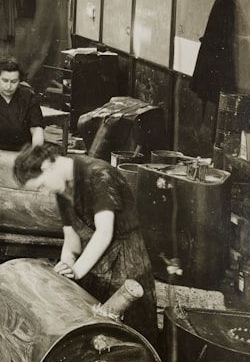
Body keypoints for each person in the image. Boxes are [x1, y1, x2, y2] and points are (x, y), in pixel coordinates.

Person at [13, 144, 159, 346]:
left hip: (126, 263)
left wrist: (77, 271)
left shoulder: (99, 175)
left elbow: (104, 233)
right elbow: (71, 239)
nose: (45, 192)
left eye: (41, 186)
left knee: (128, 337)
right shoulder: (63, 187)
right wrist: (66, 265)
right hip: (94, 262)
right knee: (91, 334)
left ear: (47, 166)